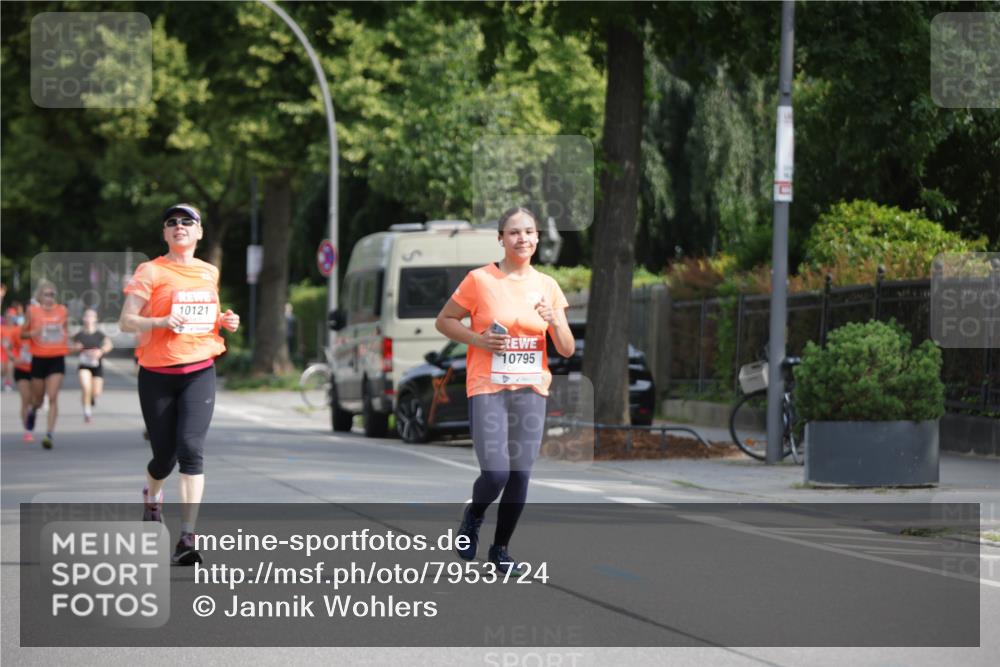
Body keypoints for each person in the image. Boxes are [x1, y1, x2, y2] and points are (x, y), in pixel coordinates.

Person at [435, 206, 574, 575]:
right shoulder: (480, 280)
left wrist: (553, 320)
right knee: (496, 472)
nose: (523, 238)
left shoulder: (548, 286)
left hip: (531, 388)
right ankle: (474, 513)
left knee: (520, 474)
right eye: (514, 232)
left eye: (529, 232)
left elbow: (566, 348)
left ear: (538, 238)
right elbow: (444, 320)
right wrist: (479, 340)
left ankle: (500, 549)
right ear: (501, 238)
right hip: (487, 387)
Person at [119, 203, 240, 566]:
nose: (179, 226)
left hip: (199, 370)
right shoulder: (151, 271)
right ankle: (152, 497)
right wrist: (160, 322)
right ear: (165, 233)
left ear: (199, 232)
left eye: (187, 221)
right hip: (157, 373)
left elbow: (206, 318)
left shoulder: (209, 272)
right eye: (171, 222)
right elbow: (126, 322)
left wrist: (225, 320)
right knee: (164, 458)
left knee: (190, 449)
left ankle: (187, 537)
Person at [21, 280, 69, 449]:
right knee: (38, 399)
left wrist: (68, 340)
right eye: (46, 295)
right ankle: (34, 410)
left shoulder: (62, 311)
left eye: (52, 295)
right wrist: (34, 333)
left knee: (53, 396)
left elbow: (66, 331)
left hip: (57, 358)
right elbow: (22, 334)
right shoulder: (32, 311)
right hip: (39, 358)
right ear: (39, 297)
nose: (50, 298)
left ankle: (49, 434)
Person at [71, 308, 113, 423]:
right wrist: (75, 347)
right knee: (86, 387)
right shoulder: (78, 335)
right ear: (83, 318)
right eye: (87, 316)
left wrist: (101, 351)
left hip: (97, 366)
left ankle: (91, 398)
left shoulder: (100, 335)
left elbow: (109, 344)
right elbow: (70, 348)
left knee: (96, 392)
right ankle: (87, 412)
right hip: (84, 365)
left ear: (96, 319)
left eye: (92, 316)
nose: (89, 318)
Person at [2, 304, 34, 440]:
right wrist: (14, 358)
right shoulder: (17, 331)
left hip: (39, 369)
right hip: (21, 369)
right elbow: (8, 348)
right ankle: (28, 430)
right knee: (26, 399)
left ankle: (32, 417)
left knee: (34, 401)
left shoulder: (40, 332)